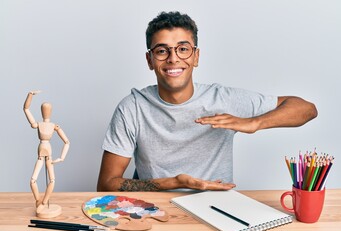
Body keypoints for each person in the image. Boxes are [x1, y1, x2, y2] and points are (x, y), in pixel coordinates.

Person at [97, 11, 317, 192]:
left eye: (183, 49)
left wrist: (254, 123)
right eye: (162, 51)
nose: (173, 58)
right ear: (150, 60)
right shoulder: (132, 108)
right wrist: (176, 182)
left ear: (196, 56)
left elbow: (306, 109)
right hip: (155, 211)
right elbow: (106, 185)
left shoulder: (222, 99)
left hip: (215, 208)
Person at [24, 91, 70, 216]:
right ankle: (38, 200)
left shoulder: (54, 125)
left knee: (52, 180)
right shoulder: (39, 124)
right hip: (41, 154)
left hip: (48, 155)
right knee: (33, 180)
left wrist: (61, 157)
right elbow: (26, 109)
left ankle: (44, 202)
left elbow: (67, 141)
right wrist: (30, 95)